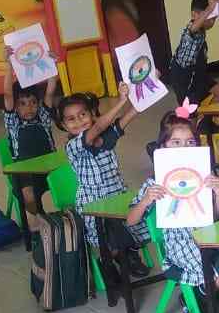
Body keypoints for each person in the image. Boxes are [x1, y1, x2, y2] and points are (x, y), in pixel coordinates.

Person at [126, 107, 219, 313]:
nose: (184, 147)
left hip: (210, 234)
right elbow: (131, 221)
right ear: (163, 146)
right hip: (181, 244)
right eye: (176, 142)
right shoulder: (154, 182)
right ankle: (201, 295)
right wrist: (146, 200)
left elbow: (216, 216)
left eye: (190, 142)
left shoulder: (203, 174)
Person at [58, 86, 150, 278]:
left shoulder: (106, 138)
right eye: (71, 119)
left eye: (83, 114)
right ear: (64, 126)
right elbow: (98, 127)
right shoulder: (73, 146)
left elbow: (132, 114)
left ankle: (129, 254)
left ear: (92, 114)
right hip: (94, 202)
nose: (79, 121)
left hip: (117, 194)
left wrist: (147, 86)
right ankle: (108, 261)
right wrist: (121, 101)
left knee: (135, 220)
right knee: (107, 234)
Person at [2, 44, 61, 219]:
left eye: (33, 103)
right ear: (15, 106)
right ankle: (42, 218)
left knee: (70, 182)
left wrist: (52, 67)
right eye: (22, 104)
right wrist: (9, 65)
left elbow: (49, 93)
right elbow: (7, 94)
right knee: (28, 196)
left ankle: (66, 219)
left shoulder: (42, 117)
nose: (29, 108)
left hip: (50, 166)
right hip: (25, 170)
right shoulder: (13, 122)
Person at [169, 0, 219, 108]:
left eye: (214, 19)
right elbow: (193, 28)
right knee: (191, 110)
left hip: (198, 74)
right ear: (194, 15)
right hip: (184, 78)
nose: (212, 22)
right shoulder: (191, 30)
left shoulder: (202, 31)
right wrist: (209, 9)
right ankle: (195, 118)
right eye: (210, 18)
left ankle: (206, 117)